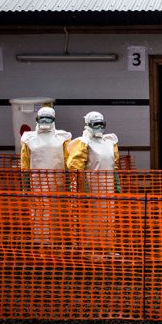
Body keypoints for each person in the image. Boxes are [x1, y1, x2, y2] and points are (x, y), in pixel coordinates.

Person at [66, 111, 121, 258]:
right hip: (91, 188)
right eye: (96, 124)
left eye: (101, 124)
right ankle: (89, 249)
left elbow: (113, 164)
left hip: (107, 189)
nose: (99, 127)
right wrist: (82, 186)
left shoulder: (110, 142)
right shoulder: (83, 143)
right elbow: (75, 166)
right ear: (88, 125)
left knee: (108, 217)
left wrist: (116, 183)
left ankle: (108, 246)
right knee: (90, 218)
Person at [19, 106, 71, 245]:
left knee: (57, 212)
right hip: (37, 183)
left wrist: (69, 181)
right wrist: (26, 184)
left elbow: (67, 161)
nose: (45, 121)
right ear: (37, 119)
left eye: (48, 118)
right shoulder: (29, 138)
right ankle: (40, 241)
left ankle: (57, 241)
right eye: (42, 118)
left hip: (58, 183)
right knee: (39, 212)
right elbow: (25, 162)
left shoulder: (62, 137)